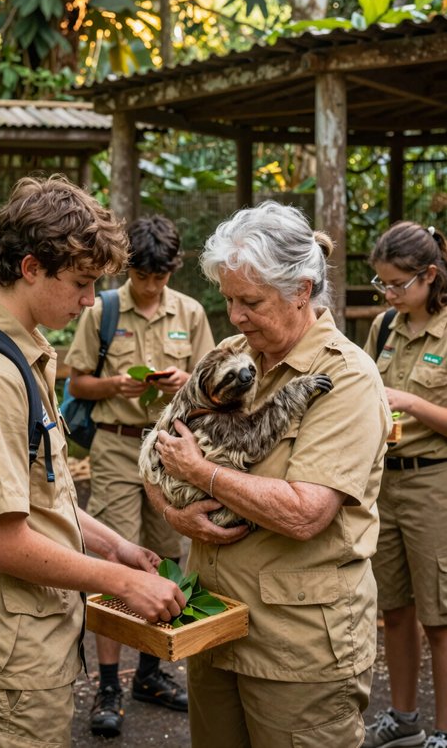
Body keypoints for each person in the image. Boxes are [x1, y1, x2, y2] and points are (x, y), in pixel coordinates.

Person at [0, 176, 186, 748]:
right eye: (82, 282)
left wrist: (113, 544)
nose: (91, 299)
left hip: (30, 642)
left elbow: (41, 494)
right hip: (5, 658)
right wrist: (120, 582)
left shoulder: (21, 353)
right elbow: (3, 542)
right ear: (31, 267)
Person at [145, 200, 392, 748]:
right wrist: (174, 511)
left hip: (296, 647)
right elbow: (160, 449)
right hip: (214, 619)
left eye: (250, 301)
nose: (234, 316)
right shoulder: (233, 353)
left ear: (301, 289)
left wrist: (203, 474)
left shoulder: (346, 378)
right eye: (228, 299)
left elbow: (306, 513)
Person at [65, 214, 215, 738]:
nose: (152, 286)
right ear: (129, 269)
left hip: (172, 451)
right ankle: (108, 685)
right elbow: (77, 383)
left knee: (167, 555)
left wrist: (184, 382)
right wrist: (112, 387)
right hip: (116, 447)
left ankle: (149, 673)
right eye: (143, 276)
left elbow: (212, 385)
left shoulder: (192, 312)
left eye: (161, 276)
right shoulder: (102, 310)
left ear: (172, 271)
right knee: (115, 555)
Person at [362, 221, 447, 748]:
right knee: (395, 610)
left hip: (434, 484)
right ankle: (404, 716)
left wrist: (411, 402)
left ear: (429, 275)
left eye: (397, 284)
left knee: (440, 617)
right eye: (382, 285)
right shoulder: (384, 327)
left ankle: (444, 729)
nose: (389, 294)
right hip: (385, 483)